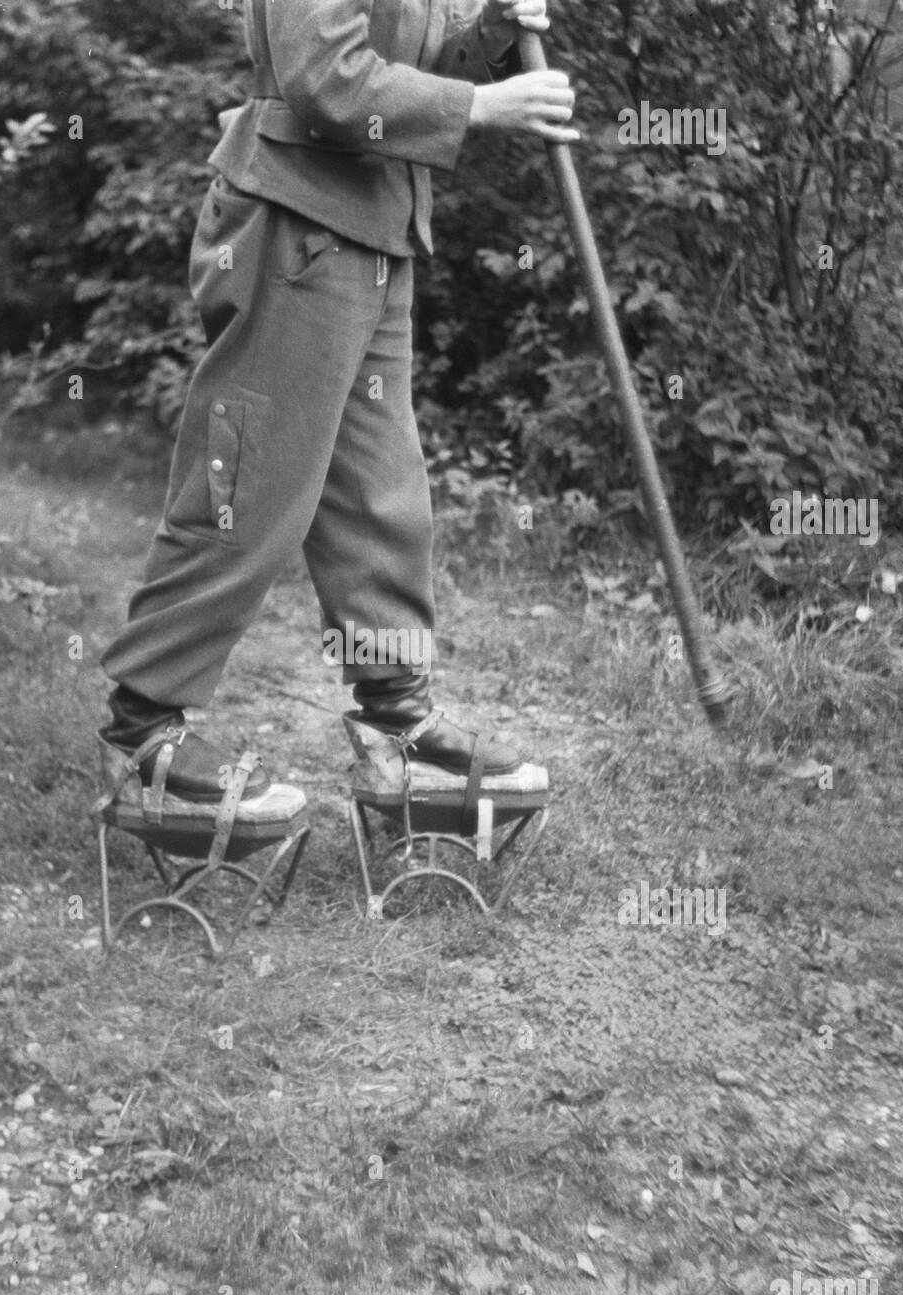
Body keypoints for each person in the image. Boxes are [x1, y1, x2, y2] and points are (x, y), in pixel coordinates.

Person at [99, 0, 578, 812]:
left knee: (380, 498)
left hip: (375, 234)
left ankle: (396, 721)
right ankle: (143, 728)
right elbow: (324, 78)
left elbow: (407, 82)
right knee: (246, 488)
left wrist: (489, 34)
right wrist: (482, 107)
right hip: (294, 229)